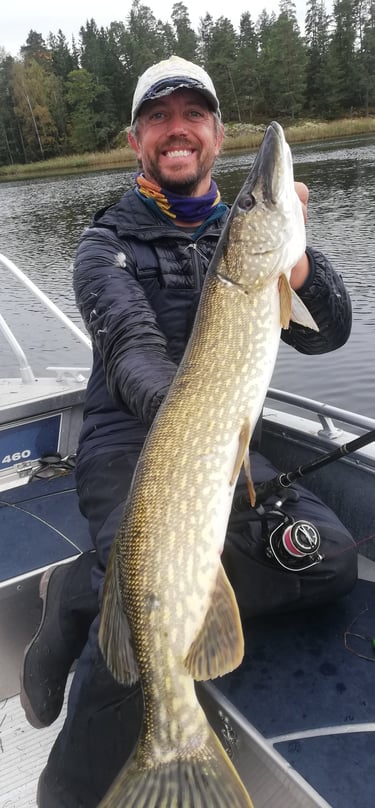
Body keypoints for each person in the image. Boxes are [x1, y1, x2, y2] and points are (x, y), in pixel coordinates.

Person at [20, 55, 357, 808]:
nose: (177, 131)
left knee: (330, 560)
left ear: (214, 133)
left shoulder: (247, 242)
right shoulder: (102, 243)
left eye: (192, 116)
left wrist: (294, 263)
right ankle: (68, 789)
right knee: (140, 618)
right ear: (136, 140)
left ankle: (84, 585)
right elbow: (135, 356)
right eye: (158, 119)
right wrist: (199, 417)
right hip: (124, 445)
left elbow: (328, 331)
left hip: (215, 449)